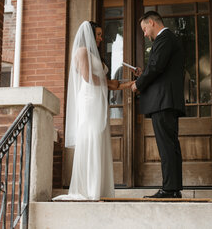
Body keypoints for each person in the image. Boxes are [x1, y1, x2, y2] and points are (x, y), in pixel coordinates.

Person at [53, 21, 132, 201]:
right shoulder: (81, 52)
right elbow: (88, 78)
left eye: (101, 35)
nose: (101, 38)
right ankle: (89, 188)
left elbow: (108, 82)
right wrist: (112, 83)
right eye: (98, 34)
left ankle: (99, 187)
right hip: (89, 100)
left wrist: (129, 84)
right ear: (88, 34)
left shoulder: (94, 54)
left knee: (100, 137)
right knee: (91, 136)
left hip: (99, 99)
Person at [131, 11, 185, 198]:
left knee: (167, 146)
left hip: (163, 102)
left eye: (145, 29)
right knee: (171, 145)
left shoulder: (165, 38)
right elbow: (159, 68)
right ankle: (174, 188)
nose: (145, 34)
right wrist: (143, 74)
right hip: (166, 101)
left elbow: (156, 67)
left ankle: (169, 189)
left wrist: (138, 84)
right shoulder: (167, 40)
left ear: (152, 23)